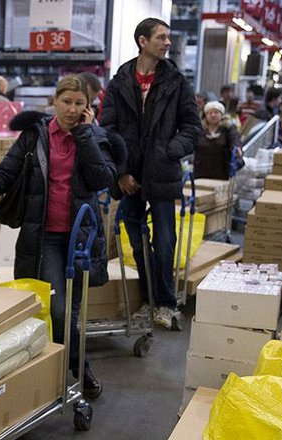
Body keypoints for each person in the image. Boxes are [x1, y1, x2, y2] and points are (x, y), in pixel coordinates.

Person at [0, 75, 116, 399]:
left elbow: (103, 178)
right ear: (54, 101)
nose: (72, 109)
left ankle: (64, 373)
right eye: (67, 102)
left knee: (69, 312)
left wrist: (84, 135)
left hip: (79, 240)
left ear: (88, 107)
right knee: (55, 311)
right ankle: (74, 371)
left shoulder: (94, 136)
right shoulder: (35, 136)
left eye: (79, 104)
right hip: (44, 238)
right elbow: (6, 173)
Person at [100, 17, 201, 330]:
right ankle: (149, 299)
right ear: (143, 41)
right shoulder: (120, 81)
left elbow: (192, 127)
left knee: (165, 242)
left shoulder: (176, 82)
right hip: (130, 178)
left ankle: (167, 304)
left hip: (162, 174)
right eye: (161, 37)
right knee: (134, 238)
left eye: (168, 38)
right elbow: (107, 130)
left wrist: (169, 151)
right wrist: (121, 172)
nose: (168, 43)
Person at [193, 101, 242, 181]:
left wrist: (237, 149)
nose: (213, 115)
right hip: (201, 171)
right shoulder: (199, 129)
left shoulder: (228, 128)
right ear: (205, 115)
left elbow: (235, 140)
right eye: (210, 113)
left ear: (221, 114)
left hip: (222, 171)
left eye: (216, 112)